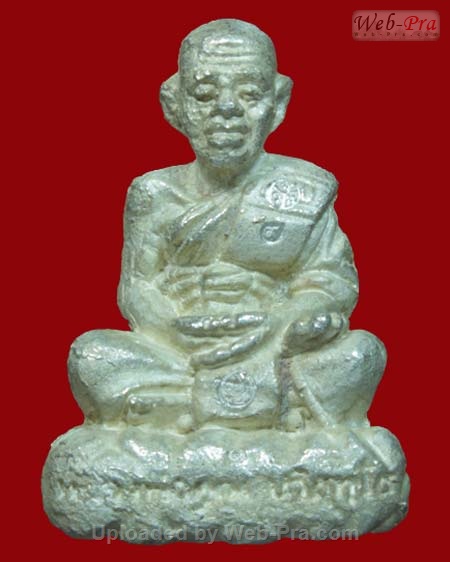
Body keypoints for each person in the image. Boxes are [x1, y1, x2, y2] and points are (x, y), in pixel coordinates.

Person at [68, 19, 386, 432]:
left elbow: (331, 282)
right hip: (181, 352)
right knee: (93, 357)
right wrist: (179, 335)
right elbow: (137, 290)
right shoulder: (154, 193)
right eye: (204, 95)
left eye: (250, 94)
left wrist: (289, 322)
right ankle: (271, 405)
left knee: (361, 354)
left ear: (278, 102)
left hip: (275, 344)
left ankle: (181, 407)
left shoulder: (302, 189)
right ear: (174, 105)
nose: (227, 109)